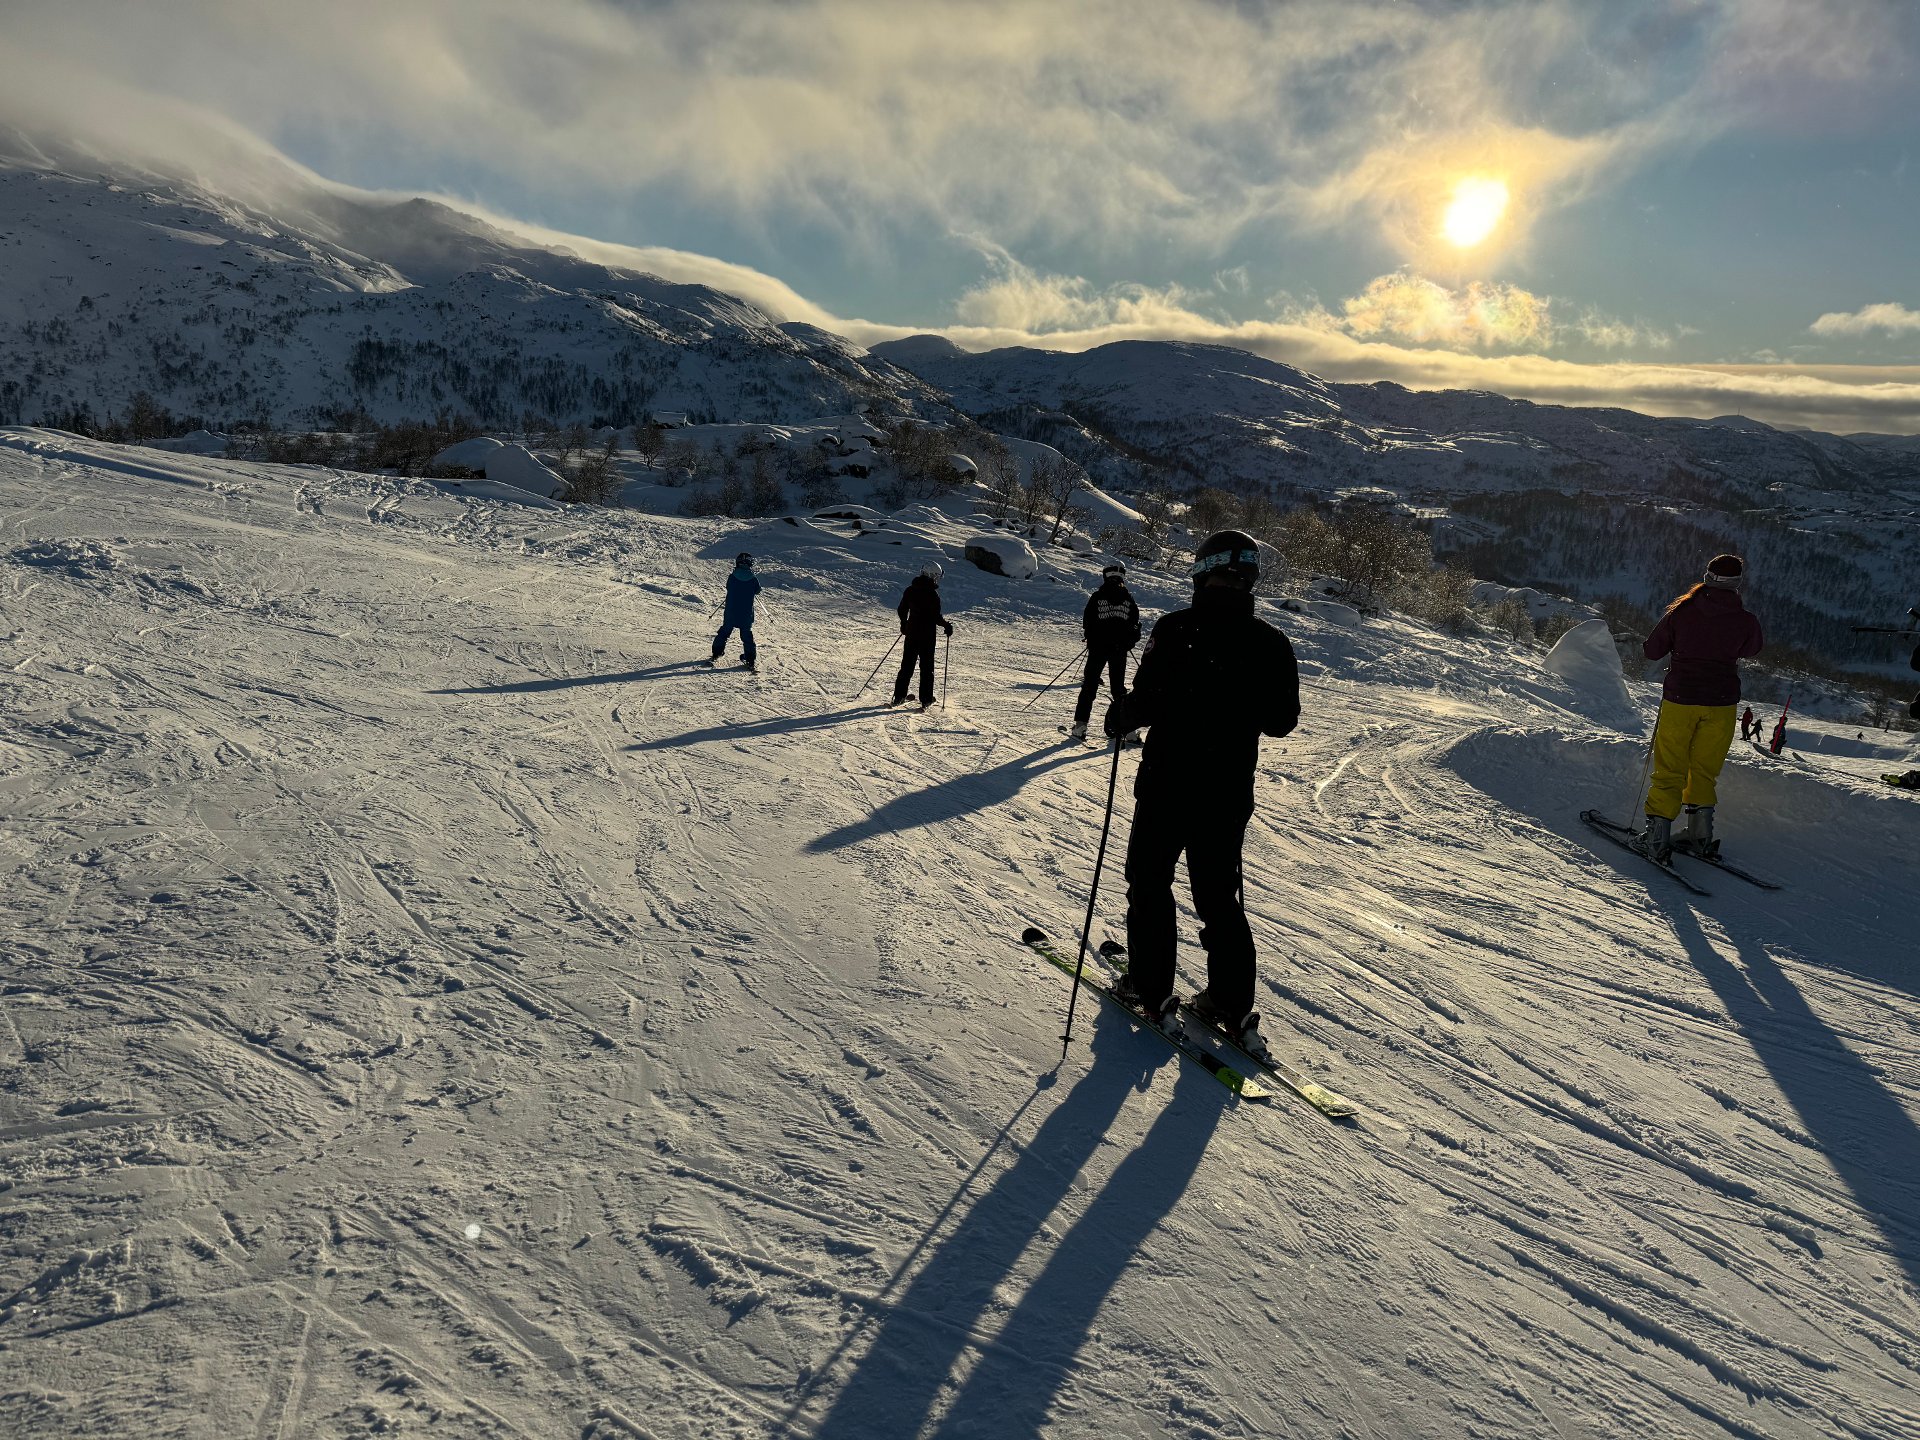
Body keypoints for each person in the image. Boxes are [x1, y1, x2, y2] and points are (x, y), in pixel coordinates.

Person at [1104, 530, 1299, 1049]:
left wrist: (1121, 713)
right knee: (1218, 896)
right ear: (1250, 578)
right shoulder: (1271, 643)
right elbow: (1282, 722)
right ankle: (1230, 1003)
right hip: (1227, 790)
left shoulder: (1175, 630)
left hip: (1168, 781)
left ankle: (1151, 987)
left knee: (1150, 883)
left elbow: (1143, 701)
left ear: (1200, 570)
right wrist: (1241, 700)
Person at [1637, 554, 1763, 861]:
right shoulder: (1745, 620)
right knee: (1704, 769)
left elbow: (1652, 651)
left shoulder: (1682, 613)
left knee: (1670, 767)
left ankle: (1656, 836)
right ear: (1738, 583)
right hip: (1721, 703)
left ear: (1706, 576)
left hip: (1682, 699)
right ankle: (1700, 833)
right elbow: (1752, 649)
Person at [1068, 563, 1141, 741]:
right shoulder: (1128, 599)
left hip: (1098, 649)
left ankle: (1080, 727)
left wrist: (1092, 639)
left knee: (1089, 686)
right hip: (1119, 651)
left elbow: (1088, 622)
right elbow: (1135, 625)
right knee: (1119, 690)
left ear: (1105, 577)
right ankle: (1128, 731)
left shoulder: (1097, 596)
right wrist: (1126, 643)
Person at [893, 562, 953, 709]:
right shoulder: (933, 595)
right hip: (927, 637)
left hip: (912, 634)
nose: (937, 580)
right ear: (932, 575)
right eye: (936, 577)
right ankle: (926, 699)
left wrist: (904, 624)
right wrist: (947, 626)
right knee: (926, 668)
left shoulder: (910, 590)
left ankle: (899, 697)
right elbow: (935, 617)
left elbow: (902, 609)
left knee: (907, 665)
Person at [707, 552, 760, 671]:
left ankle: (717, 652)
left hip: (731, 612)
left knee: (724, 632)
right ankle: (750, 659)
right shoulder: (753, 579)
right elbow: (758, 591)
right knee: (747, 636)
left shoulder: (732, 576)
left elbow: (728, 587)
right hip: (746, 614)